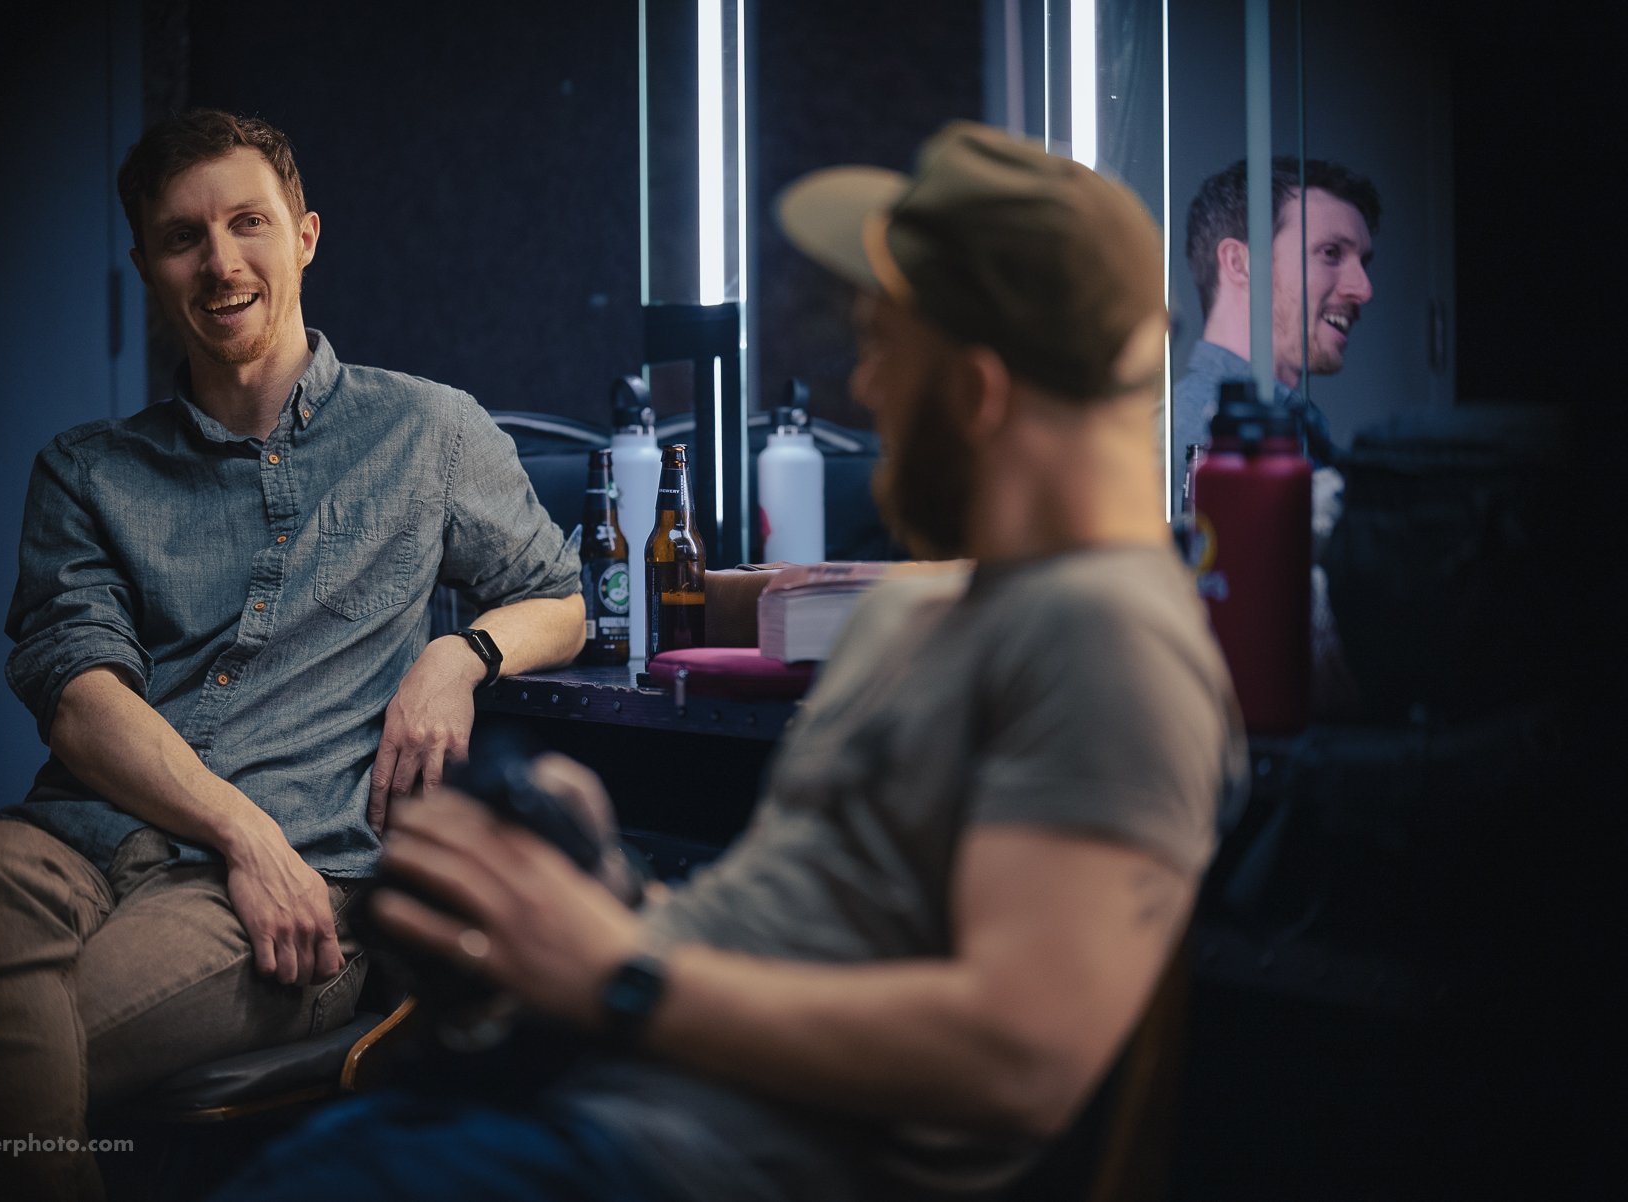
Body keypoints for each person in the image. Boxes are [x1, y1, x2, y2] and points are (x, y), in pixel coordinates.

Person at [211, 120, 1247, 1202]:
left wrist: (616, 968)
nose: (864, 387)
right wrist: (600, 889)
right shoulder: (924, 613)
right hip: (603, 1102)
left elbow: (1016, 1057)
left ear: (978, 393)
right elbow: (813, 916)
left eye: (884, 348)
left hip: (682, 1162)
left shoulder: (1110, 638)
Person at [0, 109, 585, 1201]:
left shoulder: (429, 432)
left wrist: (458, 655)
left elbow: (560, 598)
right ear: (147, 266)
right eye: (183, 237)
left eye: (247, 223)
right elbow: (77, 695)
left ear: (305, 235)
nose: (221, 262)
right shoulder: (86, 471)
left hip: (291, 889)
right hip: (84, 835)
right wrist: (241, 828)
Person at [1172, 156, 1381, 505]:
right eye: (1331, 253)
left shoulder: (1291, 428)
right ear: (1239, 264)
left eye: (1363, 262)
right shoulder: (1196, 435)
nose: (1364, 289)